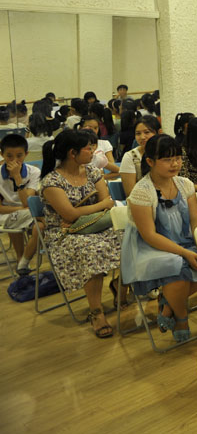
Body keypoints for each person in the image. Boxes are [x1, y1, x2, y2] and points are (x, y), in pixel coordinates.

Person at [124, 134, 197, 342]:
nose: (175, 164)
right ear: (150, 162)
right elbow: (149, 235)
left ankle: (168, 303)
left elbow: (196, 220)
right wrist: (185, 252)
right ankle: (182, 317)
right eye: (167, 160)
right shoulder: (141, 192)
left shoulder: (184, 184)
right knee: (178, 264)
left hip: (183, 240)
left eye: (177, 158)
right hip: (150, 246)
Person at [39, 129, 120, 338]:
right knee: (91, 249)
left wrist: (92, 208)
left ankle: (121, 285)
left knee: (129, 237)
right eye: (88, 148)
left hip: (95, 225)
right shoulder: (52, 181)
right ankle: (97, 312)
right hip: (66, 233)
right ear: (72, 153)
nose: (93, 151)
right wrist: (99, 206)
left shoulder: (92, 171)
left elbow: (107, 202)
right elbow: (70, 215)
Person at [0, 133, 40, 275]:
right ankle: (21, 258)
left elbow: (28, 202)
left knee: (41, 225)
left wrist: (17, 177)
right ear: (2, 154)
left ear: (26, 154)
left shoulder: (34, 171)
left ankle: (23, 261)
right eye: (9, 156)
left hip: (27, 212)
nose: (14, 160)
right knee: (37, 218)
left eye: (19, 155)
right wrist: (22, 208)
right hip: (5, 215)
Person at [120, 115, 163, 196]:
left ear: (159, 132)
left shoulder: (166, 153)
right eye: (138, 133)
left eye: (147, 132)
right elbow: (130, 193)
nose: (142, 137)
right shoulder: (130, 157)